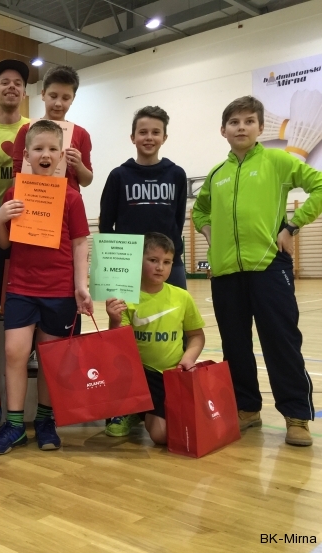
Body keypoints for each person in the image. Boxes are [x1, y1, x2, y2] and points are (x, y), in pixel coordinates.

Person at [193, 95, 322, 447]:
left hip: (269, 266)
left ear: (261, 128)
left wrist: (292, 227)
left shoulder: (278, 161)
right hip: (225, 272)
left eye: (249, 121)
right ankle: (247, 408)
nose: (241, 127)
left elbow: (319, 187)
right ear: (223, 130)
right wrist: (211, 235)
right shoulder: (216, 174)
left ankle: (296, 416)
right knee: (235, 345)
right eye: (234, 122)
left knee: (281, 341)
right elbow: (199, 211)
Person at [0, 120, 92, 455]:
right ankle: (15, 425)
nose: (45, 154)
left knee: (50, 359)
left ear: (61, 155)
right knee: (14, 352)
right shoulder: (14, 194)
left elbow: (79, 244)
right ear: (27, 155)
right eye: (38, 148)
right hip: (21, 287)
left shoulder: (72, 198)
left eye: (52, 149)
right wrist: (0, 219)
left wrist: (80, 286)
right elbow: (5, 245)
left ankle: (45, 421)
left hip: (60, 290)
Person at [98, 106, 188, 437]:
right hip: (127, 266)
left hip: (169, 264)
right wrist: (114, 268)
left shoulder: (176, 174)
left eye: (155, 132)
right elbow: (106, 223)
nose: (149, 137)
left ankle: (165, 401)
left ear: (165, 136)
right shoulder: (119, 176)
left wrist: (166, 256)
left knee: (171, 334)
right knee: (123, 335)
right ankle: (127, 407)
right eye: (143, 132)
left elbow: (177, 219)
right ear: (132, 136)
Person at [106, 233, 205, 445]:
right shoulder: (125, 298)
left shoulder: (182, 297)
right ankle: (130, 407)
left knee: (163, 435)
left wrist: (188, 358)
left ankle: (140, 410)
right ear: (138, 261)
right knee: (160, 435)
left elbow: (196, 336)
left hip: (171, 376)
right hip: (139, 376)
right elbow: (117, 343)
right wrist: (114, 320)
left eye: (167, 262)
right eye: (153, 260)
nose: (160, 267)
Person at [0, 59, 30, 313]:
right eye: (4, 82)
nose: (11, 87)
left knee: (21, 301)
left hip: (26, 224)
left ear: (24, 92)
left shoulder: (35, 129)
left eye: (17, 83)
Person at [13, 65, 93, 192]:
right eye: (53, 96)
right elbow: (16, 174)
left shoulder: (81, 134)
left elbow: (86, 181)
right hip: (34, 198)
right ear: (43, 94)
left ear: (73, 98)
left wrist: (78, 165)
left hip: (68, 201)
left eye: (65, 98)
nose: (58, 103)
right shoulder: (26, 130)